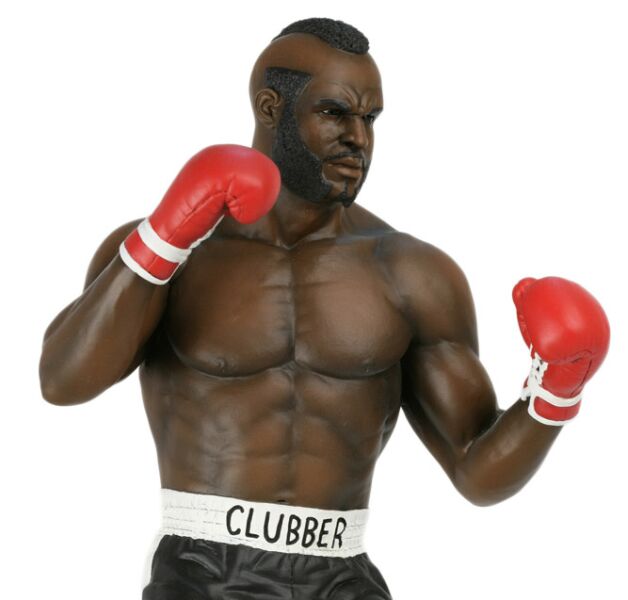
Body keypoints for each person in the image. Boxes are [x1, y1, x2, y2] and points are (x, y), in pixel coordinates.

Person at [39, 18, 610, 600]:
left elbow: (477, 472)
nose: (359, 138)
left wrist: (555, 393)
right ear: (270, 108)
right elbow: (62, 381)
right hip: (203, 575)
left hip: (343, 579)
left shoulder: (413, 275)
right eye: (335, 113)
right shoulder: (170, 253)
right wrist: (163, 239)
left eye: (371, 118)